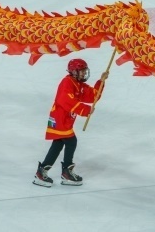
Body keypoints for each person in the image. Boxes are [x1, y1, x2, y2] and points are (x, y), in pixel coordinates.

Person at [33, 59, 108, 188]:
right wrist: (85, 109)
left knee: (58, 144)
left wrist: (101, 81)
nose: (84, 73)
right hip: (60, 118)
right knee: (71, 141)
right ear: (73, 71)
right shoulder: (67, 82)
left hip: (64, 120)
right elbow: (65, 100)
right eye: (81, 71)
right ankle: (66, 172)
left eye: (85, 71)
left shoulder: (79, 84)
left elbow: (92, 96)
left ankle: (42, 172)